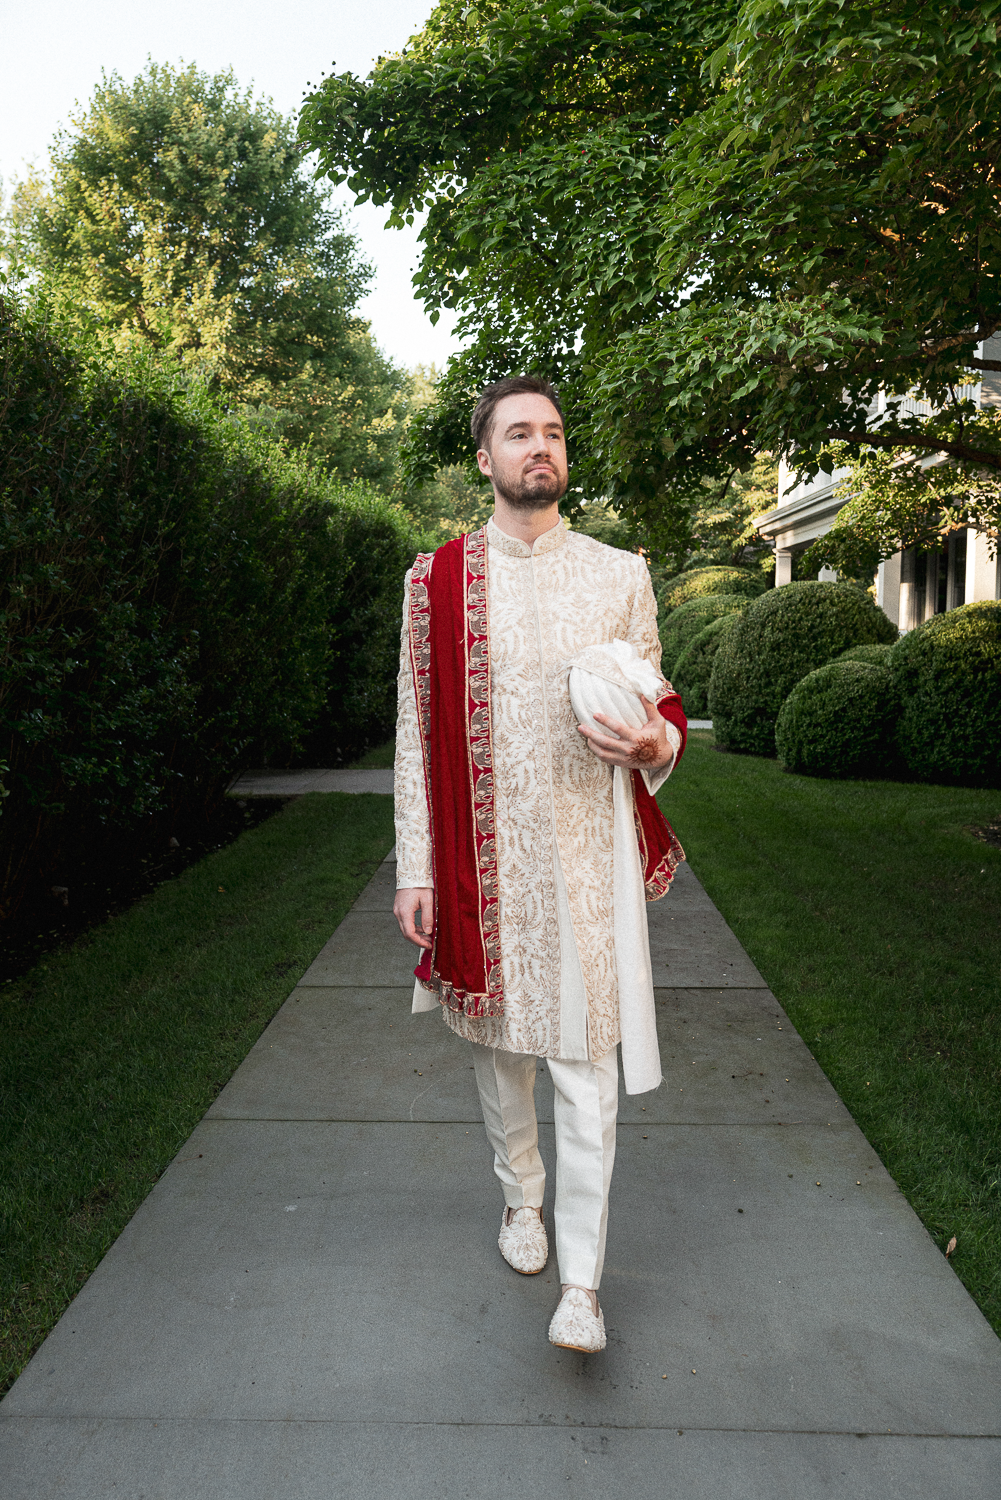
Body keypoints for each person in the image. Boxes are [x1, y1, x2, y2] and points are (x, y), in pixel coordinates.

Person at [393, 375, 687, 1353]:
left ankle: (582, 1284)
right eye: (518, 434)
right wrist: (417, 868)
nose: (539, 448)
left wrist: (654, 749)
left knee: (583, 1064)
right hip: (484, 861)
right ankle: (521, 1197)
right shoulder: (435, 581)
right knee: (501, 1053)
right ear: (483, 457)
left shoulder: (616, 576)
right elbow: (413, 735)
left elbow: (658, 704)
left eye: (552, 433)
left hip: (586, 858)